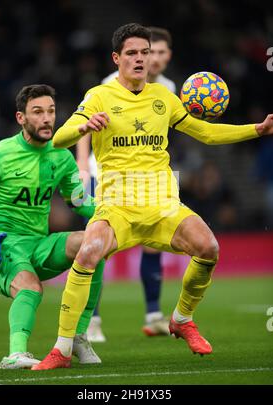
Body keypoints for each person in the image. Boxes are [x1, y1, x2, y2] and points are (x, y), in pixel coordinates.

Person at [33, 23, 273, 370]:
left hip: (162, 204)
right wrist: (83, 126)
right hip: (117, 205)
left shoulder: (163, 97)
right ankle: (62, 348)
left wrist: (258, 129)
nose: (139, 59)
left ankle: (180, 319)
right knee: (87, 252)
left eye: (145, 52)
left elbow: (205, 132)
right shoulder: (98, 96)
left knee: (209, 248)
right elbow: (59, 138)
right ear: (117, 58)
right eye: (131, 53)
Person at [0, 84, 104, 369]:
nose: (47, 118)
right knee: (31, 288)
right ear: (21, 118)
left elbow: (79, 202)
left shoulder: (60, 155)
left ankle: (78, 334)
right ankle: (15, 354)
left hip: (38, 243)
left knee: (95, 242)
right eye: (37, 112)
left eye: (51, 111)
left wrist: (118, 214)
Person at [76, 27, 175, 341]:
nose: (151, 59)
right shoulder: (109, 85)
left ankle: (153, 314)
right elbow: (86, 126)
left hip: (148, 179)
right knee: (98, 247)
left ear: (167, 56)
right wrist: (82, 166)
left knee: (152, 243)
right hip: (106, 177)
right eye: (147, 52)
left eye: (156, 52)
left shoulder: (168, 88)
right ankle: (92, 320)